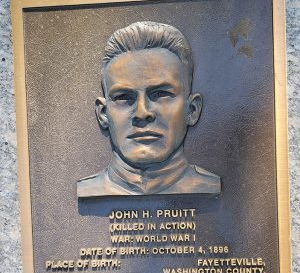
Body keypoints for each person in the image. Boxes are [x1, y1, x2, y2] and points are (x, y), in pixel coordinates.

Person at [77, 21, 221, 197]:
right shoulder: (88, 190)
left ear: (192, 110)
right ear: (103, 114)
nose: (142, 113)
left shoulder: (209, 186)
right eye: (123, 97)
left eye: (161, 94)